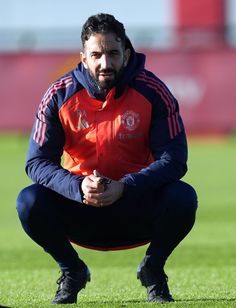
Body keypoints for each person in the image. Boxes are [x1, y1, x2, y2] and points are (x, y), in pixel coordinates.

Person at [16, 13, 198, 304]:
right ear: (83, 57)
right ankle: (72, 270)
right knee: (28, 201)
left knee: (184, 197)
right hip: (80, 207)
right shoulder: (58, 95)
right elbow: (36, 162)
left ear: (126, 54)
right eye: (96, 55)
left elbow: (175, 159)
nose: (105, 63)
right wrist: (78, 187)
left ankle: (153, 270)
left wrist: (125, 186)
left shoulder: (154, 92)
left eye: (113, 53)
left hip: (136, 204)